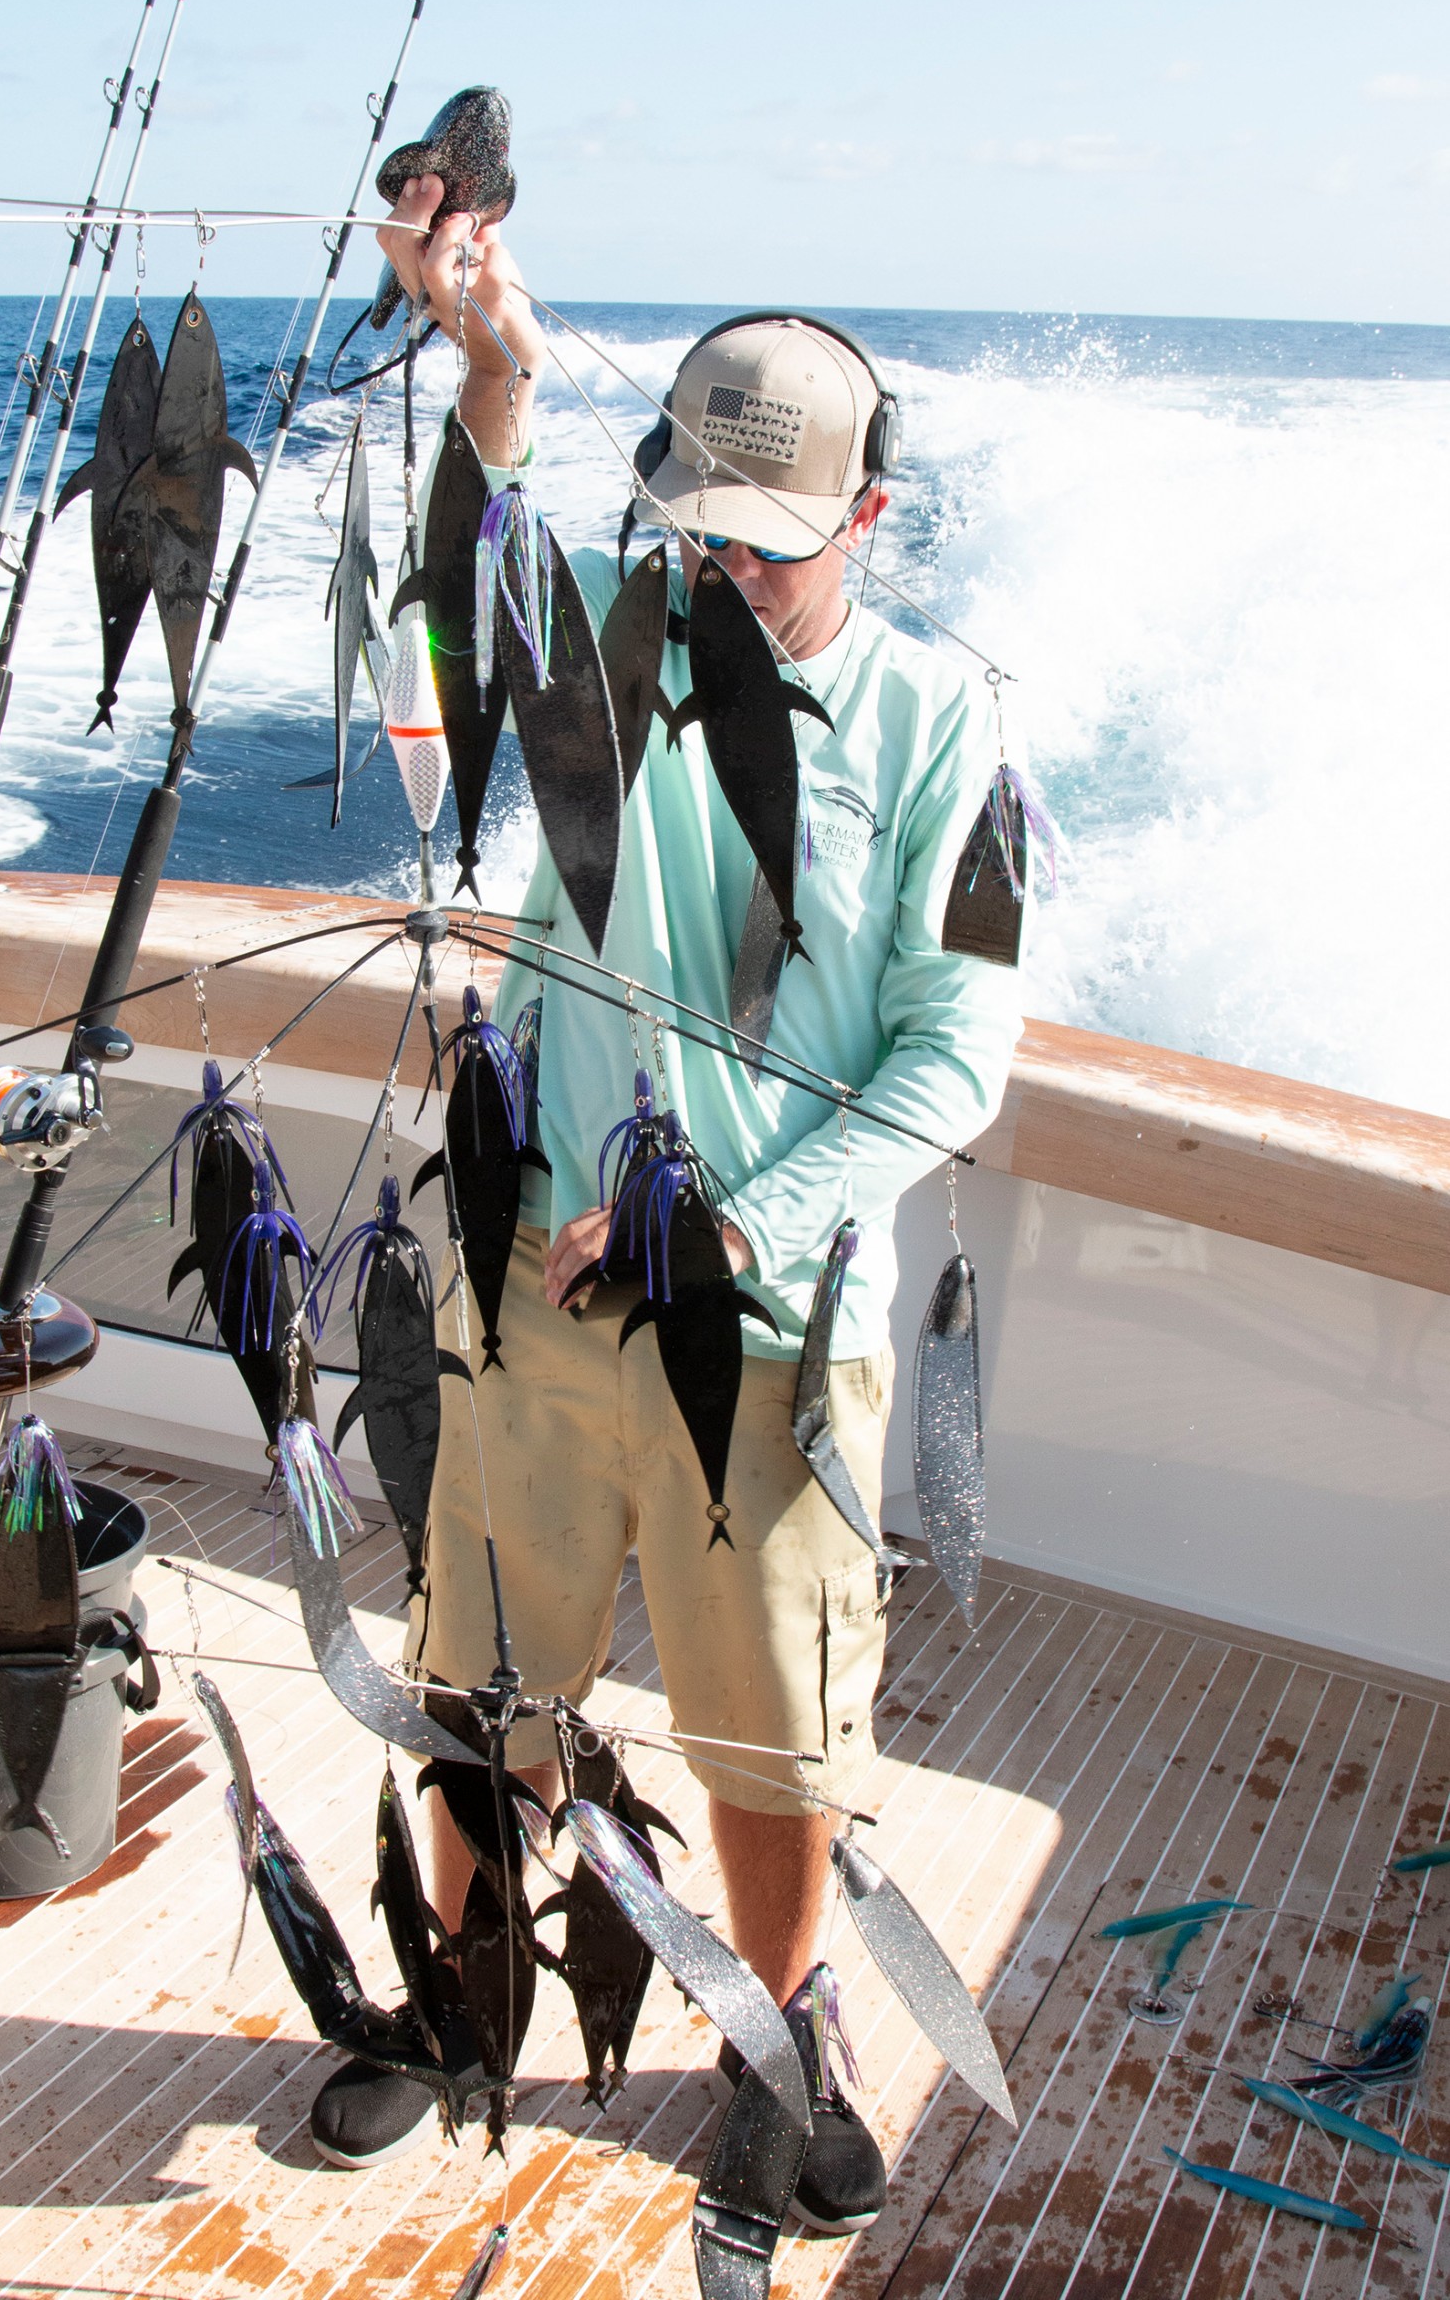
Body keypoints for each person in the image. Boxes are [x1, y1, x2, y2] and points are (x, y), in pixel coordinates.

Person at [310, 181, 1023, 2233]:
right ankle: (460, 2001)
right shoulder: (609, 646)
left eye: (768, 547)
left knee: (768, 1738)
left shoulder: (953, 728)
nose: (720, 570)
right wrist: (494, 373)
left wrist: (735, 1221)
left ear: (868, 514)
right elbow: (455, 600)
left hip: (771, 1327)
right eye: (695, 529)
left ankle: (778, 2031)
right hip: (535, 1286)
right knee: (484, 1682)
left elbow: (955, 1057)